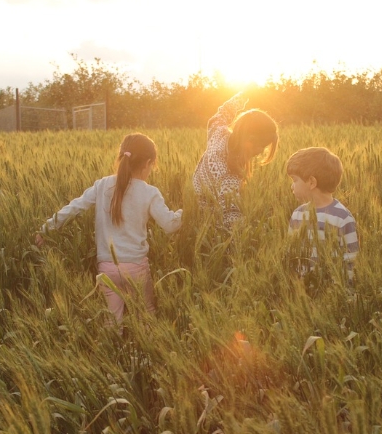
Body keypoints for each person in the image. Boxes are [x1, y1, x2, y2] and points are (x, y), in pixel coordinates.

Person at [35, 133, 182, 324]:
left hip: (106, 269)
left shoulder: (102, 185)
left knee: (111, 322)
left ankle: (111, 351)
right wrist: (185, 212)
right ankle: (144, 352)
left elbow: (75, 207)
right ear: (147, 163)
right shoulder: (149, 192)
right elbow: (170, 225)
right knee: (146, 314)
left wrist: (47, 228)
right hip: (136, 268)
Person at [192, 91, 278, 231]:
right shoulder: (230, 173)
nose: (262, 151)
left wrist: (243, 95)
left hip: (199, 183)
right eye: (262, 146)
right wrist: (245, 234)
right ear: (250, 140)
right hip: (209, 199)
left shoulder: (218, 131)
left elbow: (222, 114)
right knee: (215, 225)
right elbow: (230, 214)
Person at [286, 147, 359, 283]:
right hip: (301, 291)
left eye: (295, 180)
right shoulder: (297, 214)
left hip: (331, 292)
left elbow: (351, 262)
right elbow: (290, 252)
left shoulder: (342, 218)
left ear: (312, 182)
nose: (292, 186)